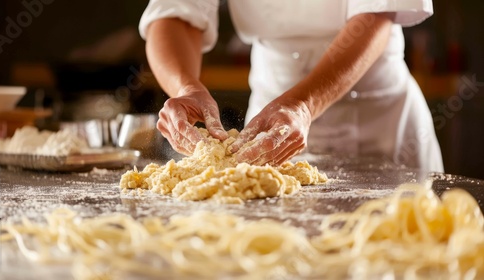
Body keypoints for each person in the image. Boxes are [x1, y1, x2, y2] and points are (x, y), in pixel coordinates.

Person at [138, 0, 444, 172]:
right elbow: (175, 15)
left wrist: (305, 104)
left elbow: (377, 14)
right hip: (267, 131)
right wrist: (185, 88)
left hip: (380, 122)